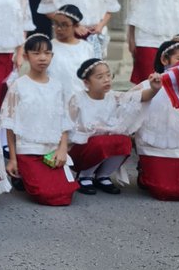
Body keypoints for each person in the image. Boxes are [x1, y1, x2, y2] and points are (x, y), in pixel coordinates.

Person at [1, 33, 78, 205]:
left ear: (52, 55)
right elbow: (9, 125)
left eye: (46, 53)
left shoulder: (57, 86)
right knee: (47, 195)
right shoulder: (18, 86)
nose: (42, 58)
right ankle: (24, 174)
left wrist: (62, 149)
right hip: (28, 151)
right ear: (26, 56)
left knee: (66, 195)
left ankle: (28, 179)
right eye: (36, 53)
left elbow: (64, 122)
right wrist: (13, 159)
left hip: (52, 151)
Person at [67, 59, 160, 194]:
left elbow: (140, 97)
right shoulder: (77, 99)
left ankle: (103, 176)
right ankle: (84, 176)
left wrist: (154, 89)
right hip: (79, 149)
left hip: (100, 148)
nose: (106, 80)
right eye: (100, 77)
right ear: (86, 82)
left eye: (108, 75)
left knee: (124, 141)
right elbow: (67, 127)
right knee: (100, 142)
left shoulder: (114, 96)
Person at [134, 39, 179, 201]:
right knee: (163, 191)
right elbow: (127, 108)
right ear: (164, 60)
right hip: (151, 146)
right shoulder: (146, 85)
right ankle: (144, 172)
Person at [46, 4, 92, 97]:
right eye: (56, 23)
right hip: (54, 97)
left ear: (76, 26)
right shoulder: (48, 47)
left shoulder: (87, 48)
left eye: (64, 25)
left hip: (80, 98)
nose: (59, 28)